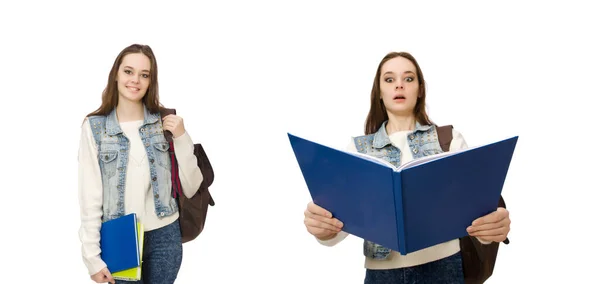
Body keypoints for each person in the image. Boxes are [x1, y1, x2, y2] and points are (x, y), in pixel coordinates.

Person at [302, 52, 511, 283]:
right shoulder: (356, 150)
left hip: (444, 270)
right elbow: (337, 227)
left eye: (408, 79)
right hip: (381, 276)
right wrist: (323, 229)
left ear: (420, 89)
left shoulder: (450, 140)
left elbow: (478, 213)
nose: (399, 85)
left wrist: (493, 227)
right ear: (379, 92)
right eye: (389, 79)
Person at [77, 44, 203, 284]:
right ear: (116, 74)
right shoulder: (94, 128)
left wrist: (182, 137)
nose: (135, 80)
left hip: (165, 234)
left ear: (150, 81)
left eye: (144, 75)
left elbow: (192, 185)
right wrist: (91, 256)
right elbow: (90, 196)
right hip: (119, 235)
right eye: (128, 71)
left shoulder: (164, 122)